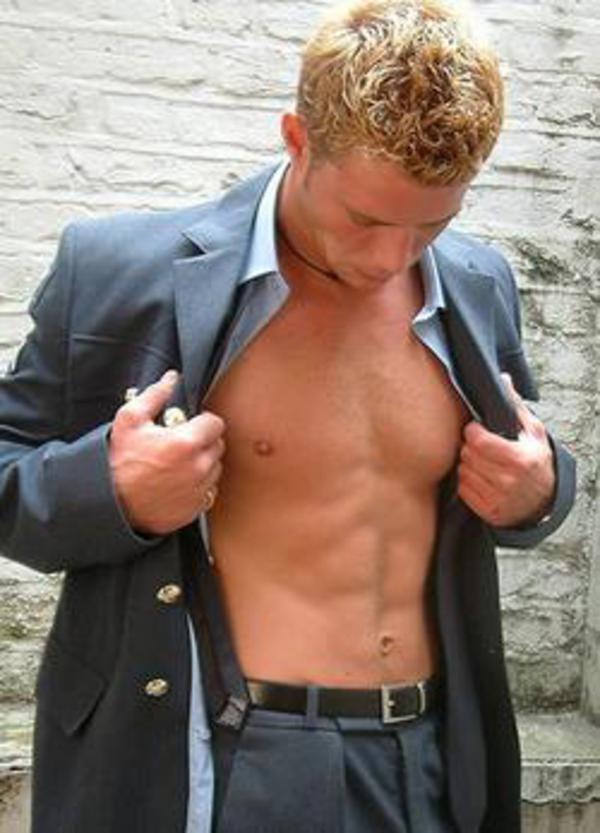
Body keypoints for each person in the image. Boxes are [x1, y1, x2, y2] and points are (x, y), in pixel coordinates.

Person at [0, 1, 576, 832]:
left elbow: (523, 460)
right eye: (365, 218)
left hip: (433, 754)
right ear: (297, 138)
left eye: (433, 222)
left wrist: (538, 492)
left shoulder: (478, 282)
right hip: (245, 752)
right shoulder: (121, 271)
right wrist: (111, 490)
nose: (390, 259)